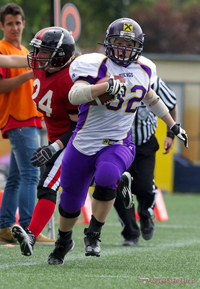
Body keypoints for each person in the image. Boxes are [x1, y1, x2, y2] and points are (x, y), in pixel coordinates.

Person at [45, 17, 188, 265]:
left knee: (108, 176)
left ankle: (94, 233)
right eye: (119, 43)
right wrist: (105, 87)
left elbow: (150, 97)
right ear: (109, 43)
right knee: (70, 201)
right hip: (84, 142)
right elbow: (75, 94)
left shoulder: (144, 69)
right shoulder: (92, 64)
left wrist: (172, 124)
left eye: (129, 44)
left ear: (139, 47)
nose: (124, 49)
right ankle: (63, 241)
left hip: (118, 141)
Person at [11, 26, 79, 256]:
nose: (36, 56)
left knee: (48, 185)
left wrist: (55, 146)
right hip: (54, 139)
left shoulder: (70, 80)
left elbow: (78, 126)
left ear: (60, 55)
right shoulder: (41, 67)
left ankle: (31, 235)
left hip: (72, 141)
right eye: (37, 50)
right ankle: (62, 239)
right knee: (60, 188)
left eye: (43, 51)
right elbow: (12, 60)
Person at [0, 3, 45, 243]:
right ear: (2, 26)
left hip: (30, 119)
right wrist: (28, 74)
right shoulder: (2, 48)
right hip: (18, 119)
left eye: (18, 23)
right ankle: (29, 229)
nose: (15, 27)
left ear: (24, 24)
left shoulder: (25, 50)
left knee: (18, 177)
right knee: (31, 174)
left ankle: (5, 227)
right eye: (10, 23)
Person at [115, 75, 177, 246]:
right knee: (118, 188)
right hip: (117, 144)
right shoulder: (109, 76)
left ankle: (145, 213)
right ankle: (130, 233)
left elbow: (171, 104)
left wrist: (170, 134)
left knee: (143, 186)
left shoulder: (153, 80)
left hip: (144, 144)